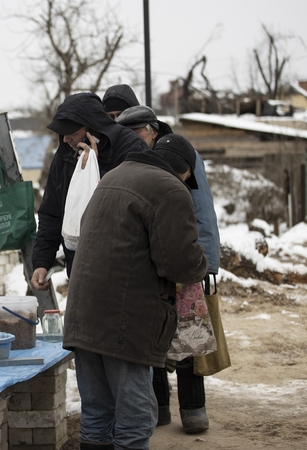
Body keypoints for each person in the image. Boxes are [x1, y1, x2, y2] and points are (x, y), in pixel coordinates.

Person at [64, 134, 208, 450]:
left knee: (98, 415)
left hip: (82, 316)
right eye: (187, 177)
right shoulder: (169, 188)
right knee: (135, 419)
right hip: (123, 321)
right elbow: (179, 262)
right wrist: (201, 263)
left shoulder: (113, 176)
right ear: (183, 170)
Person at [117, 104, 230, 433]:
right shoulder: (131, 158)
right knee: (153, 333)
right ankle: (160, 406)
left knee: (189, 330)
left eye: (137, 133)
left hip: (185, 255)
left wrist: (207, 259)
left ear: (152, 130)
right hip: (148, 263)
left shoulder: (180, 153)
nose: (133, 139)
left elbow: (202, 204)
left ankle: (194, 407)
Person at [30, 92, 148, 290]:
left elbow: (133, 209)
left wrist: (93, 168)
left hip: (123, 270)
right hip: (79, 267)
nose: (66, 139)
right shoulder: (65, 153)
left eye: (72, 133)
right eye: (62, 133)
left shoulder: (130, 147)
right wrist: (42, 261)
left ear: (92, 129)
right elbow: (52, 211)